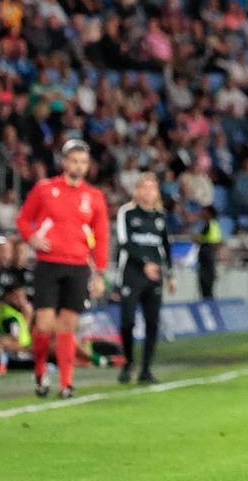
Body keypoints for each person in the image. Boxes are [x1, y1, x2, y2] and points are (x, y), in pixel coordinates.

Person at [15, 139, 109, 399]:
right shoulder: (45, 189)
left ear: (88, 166)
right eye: (74, 160)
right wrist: (31, 238)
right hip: (48, 263)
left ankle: (66, 383)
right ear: (64, 162)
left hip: (78, 267)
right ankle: (40, 370)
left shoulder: (95, 197)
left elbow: (101, 237)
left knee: (68, 325)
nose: (79, 165)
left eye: (83, 162)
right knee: (44, 324)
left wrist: (99, 273)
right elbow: (23, 218)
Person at [115, 173, 176, 384]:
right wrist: (144, 264)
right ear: (137, 190)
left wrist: (170, 275)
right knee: (127, 321)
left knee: (153, 322)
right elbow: (124, 242)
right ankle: (129, 361)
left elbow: (165, 246)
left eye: (153, 188)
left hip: (155, 276)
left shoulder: (160, 216)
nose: (148, 192)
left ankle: (146, 369)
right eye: (145, 187)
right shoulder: (127, 213)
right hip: (132, 273)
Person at [195, 206, 222, 299]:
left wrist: (196, 238)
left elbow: (200, 238)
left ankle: (208, 303)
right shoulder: (215, 224)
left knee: (205, 282)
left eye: (204, 212)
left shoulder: (209, 224)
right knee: (208, 281)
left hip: (207, 251)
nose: (202, 214)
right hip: (210, 252)